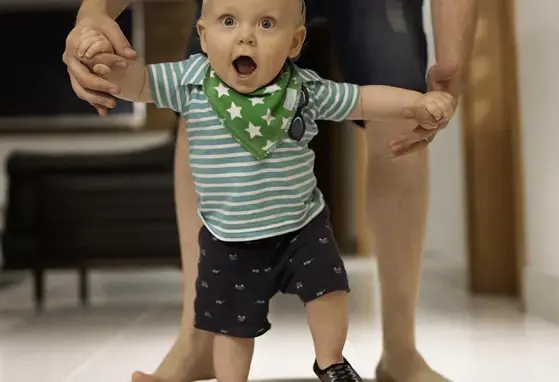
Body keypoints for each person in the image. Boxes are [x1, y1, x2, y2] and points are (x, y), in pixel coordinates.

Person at [62, 0, 477, 381]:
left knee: (399, 120)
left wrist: (445, 70)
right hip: (228, 237)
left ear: (297, 43)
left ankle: (400, 350)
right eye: (226, 25)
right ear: (206, 34)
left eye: (260, 27)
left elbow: (364, 100)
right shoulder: (189, 79)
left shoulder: (310, 90)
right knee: (200, 103)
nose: (244, 38)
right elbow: (139, 83)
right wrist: (94, 20)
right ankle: (199, 342)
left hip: (304, 226)